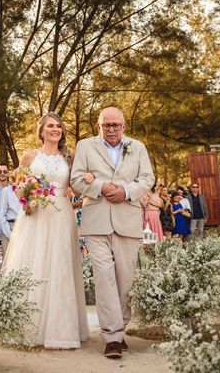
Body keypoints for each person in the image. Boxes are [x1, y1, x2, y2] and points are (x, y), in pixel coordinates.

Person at [70, 107, 154, 358]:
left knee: (125, 279)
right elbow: (75, 180)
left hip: (127, 220)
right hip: (96, 221)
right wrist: (101, 186)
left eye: (116, 125)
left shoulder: (138, 147)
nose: (112, 130)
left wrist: (126, 192)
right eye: (107, 125)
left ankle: (120, 326)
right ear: (99, 126)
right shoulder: (85, 146)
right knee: (104, 277)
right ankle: (112, 337)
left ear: (124, 126)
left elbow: (147, 179)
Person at [3, 112, 89, 349]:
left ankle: (60, 330)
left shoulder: (68, 157)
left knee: (60, 266)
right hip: (35, 215)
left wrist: (90, 178)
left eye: (58, 126)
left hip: (61, 214)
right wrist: (26, 198)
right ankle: (27, 326)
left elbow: (75, 183)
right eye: (50, 126)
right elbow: (18, 183)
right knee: (33, 263)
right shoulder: (30, 155)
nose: (55, 129)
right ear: (41, 131)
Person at [0, 179, 21, 255]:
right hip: (9, 227)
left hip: (24, 228)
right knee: (8, 261)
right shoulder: (6, 191)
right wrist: (10, 234)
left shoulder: (30, 192)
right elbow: (0, 215)